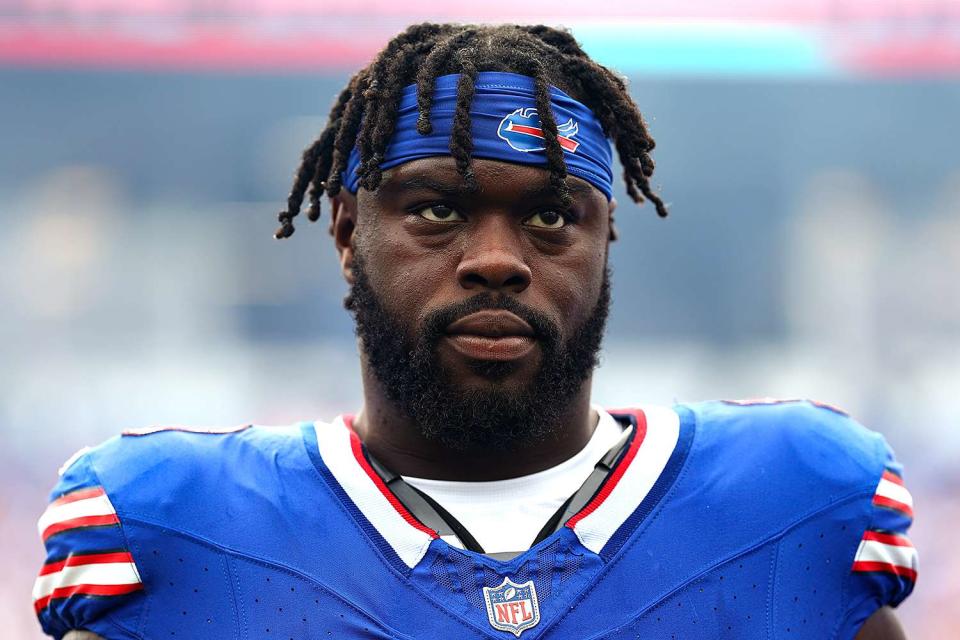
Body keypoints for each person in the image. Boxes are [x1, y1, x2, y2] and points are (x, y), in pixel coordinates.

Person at [33, 23, 916, 640]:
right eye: (438, 209)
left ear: (607, 238)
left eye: (549, 217)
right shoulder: (173, 528)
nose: (495, 260)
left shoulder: (797, 503)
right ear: (347, 231)